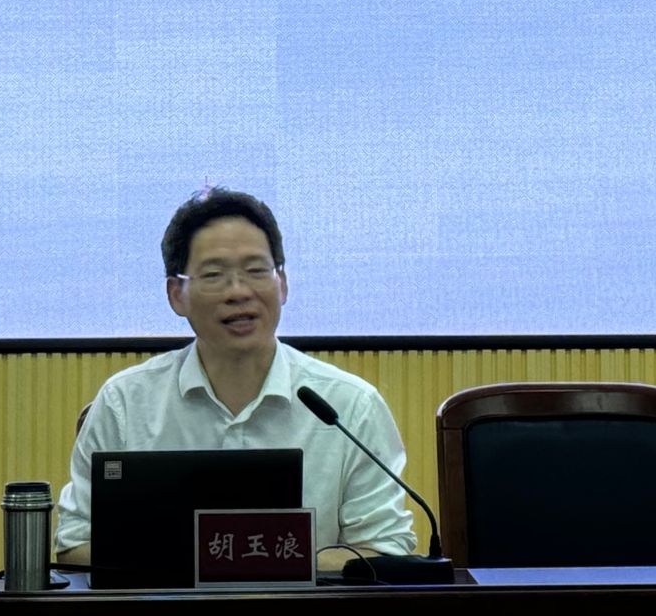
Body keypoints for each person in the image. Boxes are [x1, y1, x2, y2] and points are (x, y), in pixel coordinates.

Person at [54, 188, 417, 570]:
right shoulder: (126, 404)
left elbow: (386, 549)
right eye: (214, 275)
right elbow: (74, 545)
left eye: (256, 271)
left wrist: (266, 567)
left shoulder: (349, 407)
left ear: (282, 283)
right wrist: (213, 568)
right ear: (176, 294)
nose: (239, 292)